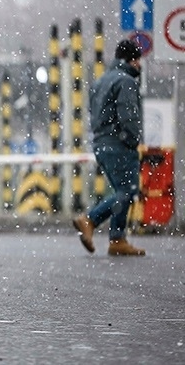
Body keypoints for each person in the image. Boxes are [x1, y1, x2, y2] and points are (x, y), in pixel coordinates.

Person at [73, 39, 145, 256]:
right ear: (132, 60)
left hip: (101, 144)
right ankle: (90, 220)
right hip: (119, 145)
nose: (139, 65)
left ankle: (117, 239)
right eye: (138, 60)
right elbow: (128, 117)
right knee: (127, 191)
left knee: (122, 191)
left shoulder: (101, 81)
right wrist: (132, 140)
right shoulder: (126, 82)